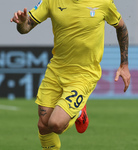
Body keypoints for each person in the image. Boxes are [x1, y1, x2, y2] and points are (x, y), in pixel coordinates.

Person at [10, 0, 131, 149]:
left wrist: (124, 65)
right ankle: (77, 111)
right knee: (43, 125)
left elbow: (121, 27)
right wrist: (21, 22)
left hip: (84, 73)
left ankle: (79, 111)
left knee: (56, 124)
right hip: (56, 70)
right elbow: (25, 27)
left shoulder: (103, 3)